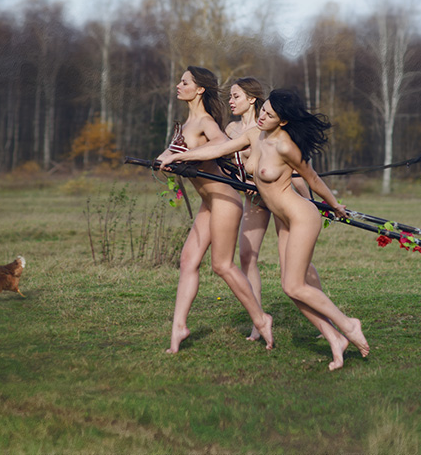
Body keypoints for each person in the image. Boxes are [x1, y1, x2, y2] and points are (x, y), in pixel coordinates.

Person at [161, 88, 369, 370]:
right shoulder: (253, 135)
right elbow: (217, 149)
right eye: (263, 110)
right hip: (285, 217)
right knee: (292, 289)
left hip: (302, 218)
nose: (262, 117)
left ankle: (349, 324)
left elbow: (312, 179)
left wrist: (334, 205)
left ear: (283, 121)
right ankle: (336, 339)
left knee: (294, 285)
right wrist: (178, 157)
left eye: (270, 115)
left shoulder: (285, 146)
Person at [156, 66, 275, 353]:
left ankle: (261, 318)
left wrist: (184, 157)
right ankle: (179, 328)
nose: (178, 85)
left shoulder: (206, 122)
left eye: (184, 82)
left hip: (224, 200)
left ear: (199, 89)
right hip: (208, 202)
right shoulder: (186, 125)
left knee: (222, 265)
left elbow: (222, 144)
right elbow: (169, 156)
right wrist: (163, 161)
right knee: (188, 260)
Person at [224, 78, 320, 341]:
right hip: (254, 200)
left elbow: (295, 171)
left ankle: (321, 317)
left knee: (293, 262)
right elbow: (223, 158)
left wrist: (309, 201)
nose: (231, 101)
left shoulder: (268, 128)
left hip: (279, 198)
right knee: (246, 256)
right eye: (230, 97)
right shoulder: (231, 129)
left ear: (251, 99)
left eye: (236, 96)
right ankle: (258, 320)